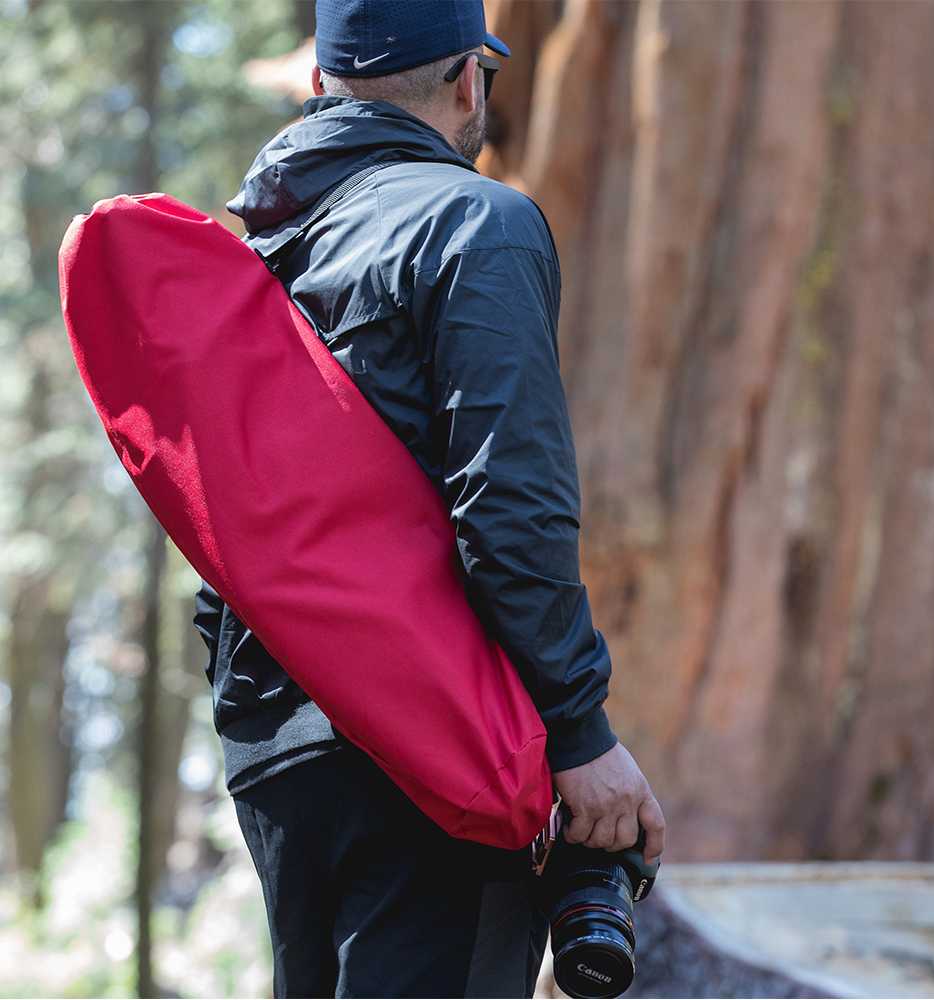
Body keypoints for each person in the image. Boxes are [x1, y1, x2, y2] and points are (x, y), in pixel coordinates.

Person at [194, 1, 665, 996]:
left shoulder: (262, 257)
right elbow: (510, 502)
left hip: (274, 741)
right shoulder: (475, 220)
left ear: (320, 85)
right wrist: (578, 735)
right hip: (430, 741)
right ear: (467, 79)